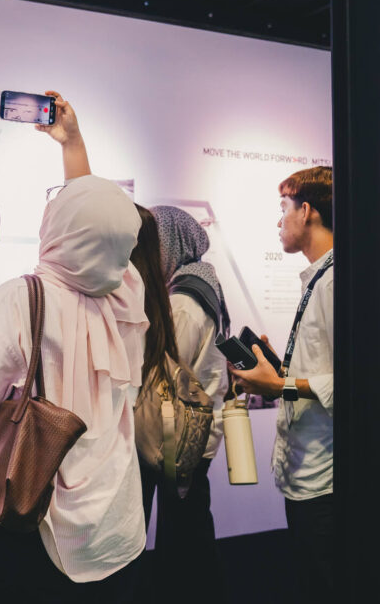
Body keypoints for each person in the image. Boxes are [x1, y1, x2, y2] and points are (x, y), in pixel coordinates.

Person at [0, 91, 147, 603]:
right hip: (115, 522)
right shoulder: (127, 295)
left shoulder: (19, 299)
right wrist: (73, 143)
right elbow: (101, 225)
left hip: (33, 513)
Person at [229, 166, 334, 604]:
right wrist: (277, 368)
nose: (279, 221)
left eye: (283, 209)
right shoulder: (319, 278)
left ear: (306, 211)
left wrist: (281, 386)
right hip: (305, 475)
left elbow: (357, 382)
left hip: (325, 485)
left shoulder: (335, 282)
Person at [136, 205, 229, 604]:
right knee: (189, 532)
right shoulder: (203, 285)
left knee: (183, 540)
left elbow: (163, 369)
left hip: (177, 436)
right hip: (194, 434)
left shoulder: (182, 304)